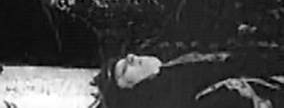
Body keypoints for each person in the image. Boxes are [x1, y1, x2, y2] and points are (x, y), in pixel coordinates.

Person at [92, 48, 284, 107]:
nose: (131, 57)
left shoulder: (177, 74)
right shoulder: (182, 94)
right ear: (134, 94)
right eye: (124, 69)